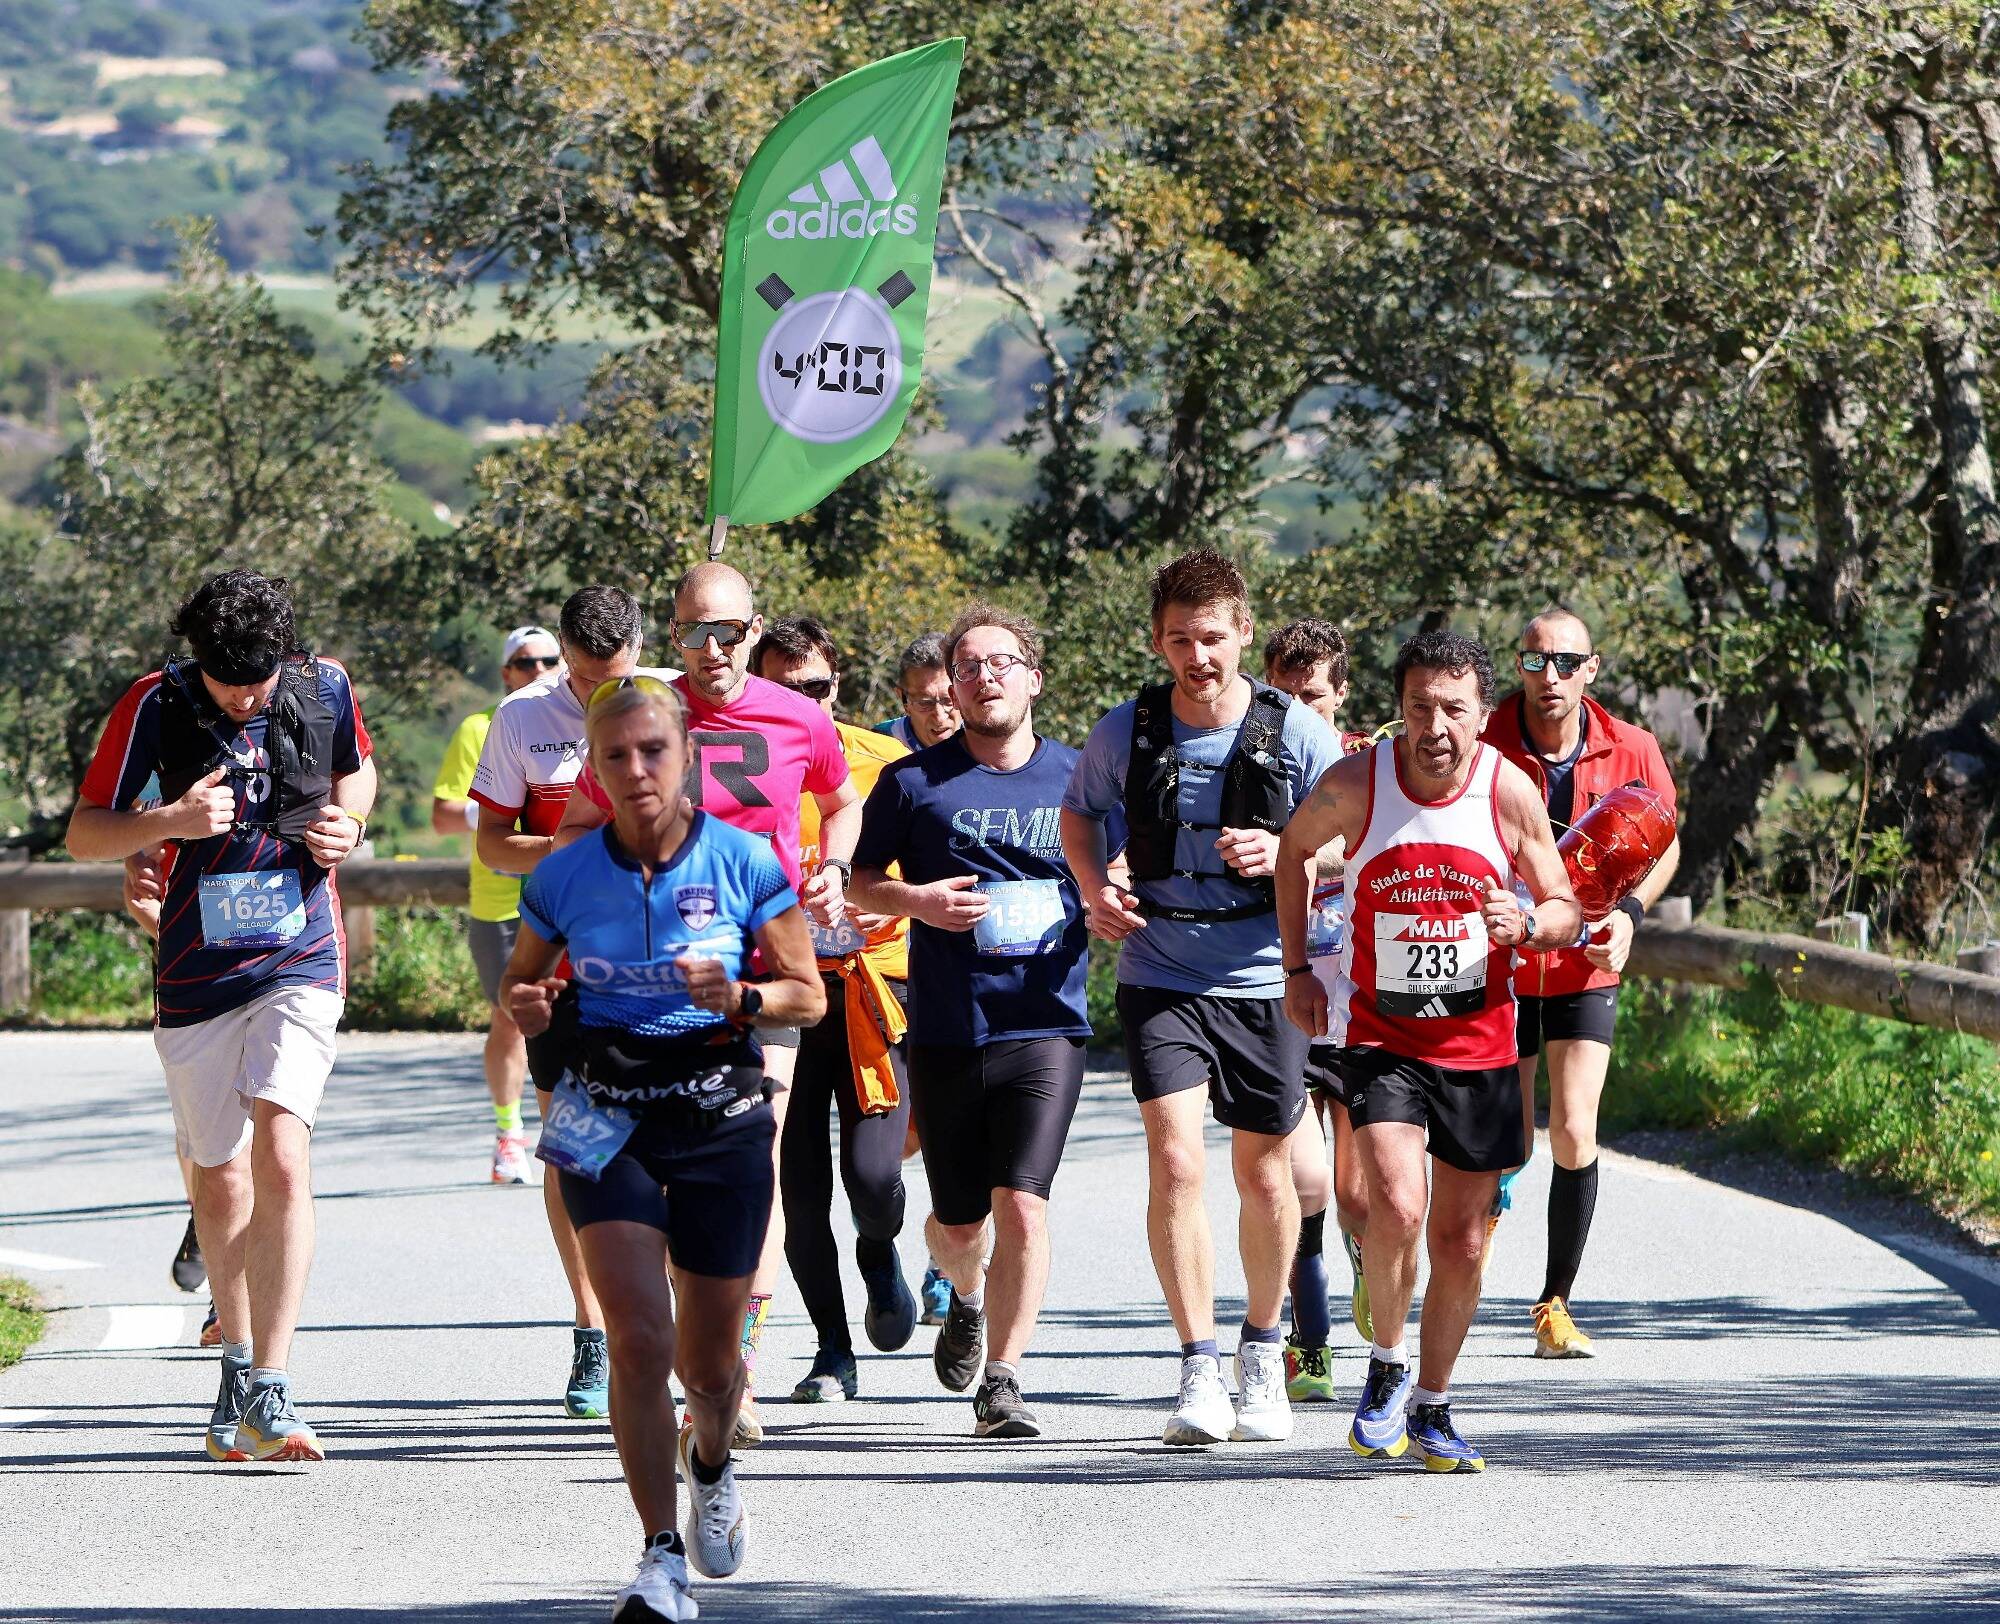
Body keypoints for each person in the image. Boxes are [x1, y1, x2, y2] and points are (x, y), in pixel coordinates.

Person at [504, 676, 824, 1623]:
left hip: (718, 1114)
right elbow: (522, 988)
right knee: (638, 1341)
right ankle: (658, 1555)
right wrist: (527, 1007)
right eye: (615, 756)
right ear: (594, 773)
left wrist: (747, 999)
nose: (636, 769)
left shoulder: (742, 862)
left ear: (686, 755)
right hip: (602, 1118)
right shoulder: (562, 876)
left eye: (653, 750)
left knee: (711, 1369)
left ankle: (711, 1461)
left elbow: (807, 990)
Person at [68, 569, 375, 1463]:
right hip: (196, 966)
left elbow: (357, 776)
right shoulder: (150, 703)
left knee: (283, 1147)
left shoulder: (324, 685)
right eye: (227, 682)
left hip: (301, 955)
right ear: (195, 660)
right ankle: (237, 1367)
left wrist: (347, 827)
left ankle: (274, 1387)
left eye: (260, 680)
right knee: (220, 1176)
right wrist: (166, 821)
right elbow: (88, 830)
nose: (246, 699)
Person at [557, 563, 858, 1447]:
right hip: (652, 984)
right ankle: (678, 1347)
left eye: (728, 632)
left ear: (753, 629)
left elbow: (840, 803)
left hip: (766, 971)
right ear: (673, 634)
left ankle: (735, 1371)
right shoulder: (640, 718)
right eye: (694, 632)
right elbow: (576, 828)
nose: (713, 650)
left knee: (749, 1168)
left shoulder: (799, 715)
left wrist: (832, 865)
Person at [1277, 629, 1581, 1472]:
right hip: (1384, 1039)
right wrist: (1299, 965)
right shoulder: (1357, 784)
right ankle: (1385, 1368)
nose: (1435, 726)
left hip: (1481, 1045)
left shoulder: (1508, 793)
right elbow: (1294, 854)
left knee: (1463, 1240)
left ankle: (1435, 1405)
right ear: (1398, 711)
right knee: (1397, 1207)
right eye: (1419, 707)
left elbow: (1562, 905)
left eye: (1453, 708)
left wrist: (1528, 924)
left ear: (1483, 716)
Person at [1061, 549, 1342, 1447]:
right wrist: (1091, 889)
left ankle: (1264, 1351)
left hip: (1267, 974)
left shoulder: (1296, 731)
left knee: (1265, 1173)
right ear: (1157, 639)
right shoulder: (1129, 728)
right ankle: (1197, 1365)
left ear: (1243, 633)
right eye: (1179, 639)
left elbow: (1359, 838)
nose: (1198, 656)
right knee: (1177, 1161)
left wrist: (1290, 852)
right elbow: (1079, 814)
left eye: (1212, 637)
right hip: (1160, 969)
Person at [853, 604, 1101, 1439]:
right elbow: (858, 883)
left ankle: (1004, 1377)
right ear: (951, 688)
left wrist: (1110, 899)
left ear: (1033, 678)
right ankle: (962, 1294)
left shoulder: (1080, 776)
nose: (984, 676)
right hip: (950, 1026)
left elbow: (1122, 864)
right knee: (959, 1224)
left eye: (1002, 663)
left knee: (1023, 1203)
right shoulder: (914, 782)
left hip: (1046, 1021)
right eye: (968, 666)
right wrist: (915, 901)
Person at [471, 587, 673, 1419]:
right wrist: (563, 848)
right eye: (586, 678)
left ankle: (659, 1320)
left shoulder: (667, 698)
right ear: (562, 652)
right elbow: (488, 841)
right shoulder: (520, 718)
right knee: (576, 1143)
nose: (600, 694)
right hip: (559, 956)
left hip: (663, 954)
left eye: (614, 676)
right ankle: (591, 1330)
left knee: (668, 1141)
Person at [1480, 609, 1680, 1358]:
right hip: (1498, 962)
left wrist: (1630, 913)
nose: (1550, 677)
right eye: (1535, 663)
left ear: (1591, 669)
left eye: (1566, 663)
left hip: (1583, 966)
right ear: (1520, 668)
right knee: (1504, 1140)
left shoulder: (1633, 748)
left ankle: (1554, 1307)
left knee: (1572, 1128)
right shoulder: (1483, 742)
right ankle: (1482, 1218)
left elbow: (1666, 839)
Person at [749, 617, 919, 1404]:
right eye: (783, 688)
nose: (803, 702)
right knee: (795, 1183)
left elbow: (927, 865)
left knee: (873, 1174)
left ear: (839, 687)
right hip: (782, 988)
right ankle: (831, 1351)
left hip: (876, 988)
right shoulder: (738, 764)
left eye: (816, 687)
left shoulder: (887, 764)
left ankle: (880, 1251)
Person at [1261, 619, 1373, 1403]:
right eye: (1281, 697)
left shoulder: (1376, 774)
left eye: (1312, 697)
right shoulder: (1251, 766)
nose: (1297, 710)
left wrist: (1297, 850)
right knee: (1305, 1186)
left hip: (1363, 1000)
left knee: (1360, 1195)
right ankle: (1312, 1345)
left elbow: (1374, 847)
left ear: (1340, 697)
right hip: (1282, 994)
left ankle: (1371, 1258)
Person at [433, 624, 563, 1185]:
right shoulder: (480, 727)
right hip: (502, 902)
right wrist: (506, 799)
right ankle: (510, 1136)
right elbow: (443, 816)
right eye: (525, 663)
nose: (537, 671)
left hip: (568, 899)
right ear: (506, 672)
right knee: (511, 1020)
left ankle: (576, 1132)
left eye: (548, 661)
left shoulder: (584, 719)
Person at [876, 632, 961, 751]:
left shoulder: (986, 739)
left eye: (949, 700)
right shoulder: (879, 744)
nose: (940, 717)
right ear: (903, 700)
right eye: (925, 703)